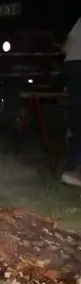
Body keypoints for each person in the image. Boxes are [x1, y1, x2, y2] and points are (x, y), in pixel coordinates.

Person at [61, 16, 81, 187]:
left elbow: (66, 47)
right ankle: (76, 170)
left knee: (78, 116)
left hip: (71, 65)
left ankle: (74, 166)